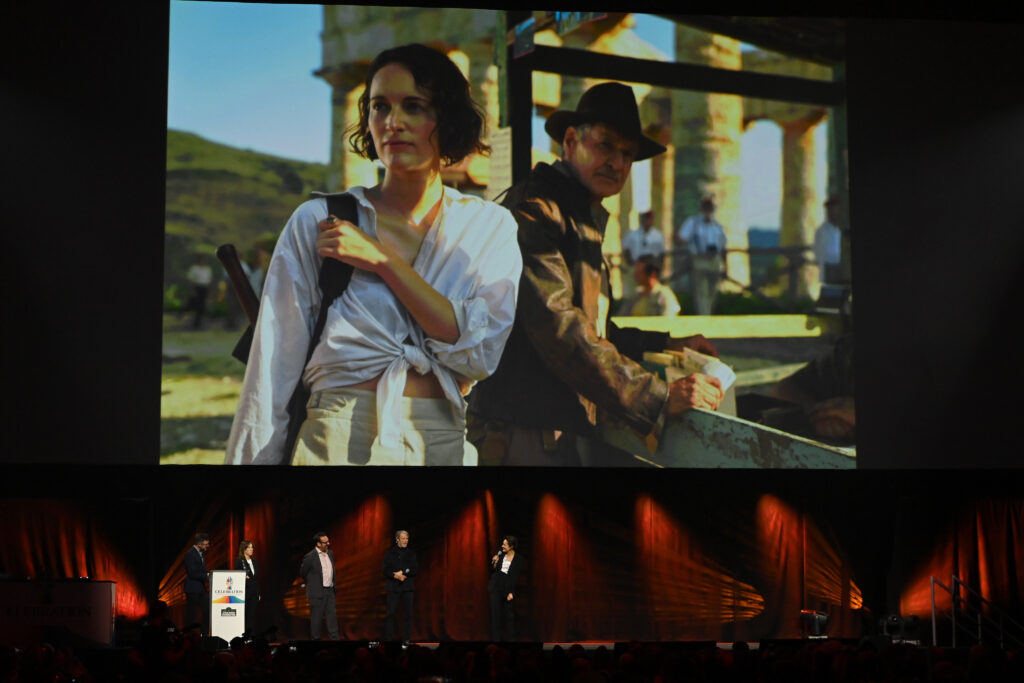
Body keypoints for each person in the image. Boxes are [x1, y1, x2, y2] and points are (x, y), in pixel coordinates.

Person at [225, 43, 522, 466]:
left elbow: (480, 353)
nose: (393, 123)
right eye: (380, 107)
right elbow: (273, 366)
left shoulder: (488, 227)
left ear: (448, 118)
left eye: (414, 106)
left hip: (439, 439)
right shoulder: (320, 220)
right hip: (333, 437)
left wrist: (382, 260)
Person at [468, 81, 724, 467]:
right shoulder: (537, 212)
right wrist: (657, 396)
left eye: (628, 154)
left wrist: (668, 342)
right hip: (523, 428)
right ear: (570, 141)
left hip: (550, 425)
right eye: (606, 146)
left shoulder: (578, 215)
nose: (618, 163)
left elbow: (591, 327)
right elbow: (558, 327)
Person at [676, 196, 727, 315]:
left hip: (714, 260)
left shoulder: (717, 226)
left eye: (709, 207)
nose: (708, 210)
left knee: (712, 292)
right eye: (706, 207)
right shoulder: (693, 222)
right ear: (702, 208)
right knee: (701, 292)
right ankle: (704, 317)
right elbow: (682, 238)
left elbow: (723, 246)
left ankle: (708, 315)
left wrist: (725, 266)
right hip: (699, 260)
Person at [299, 531, 339, 640]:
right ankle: (316, 644)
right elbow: (303, 573)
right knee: (316, 621)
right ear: (318, 544)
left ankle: (336, 644)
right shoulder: (310, 556)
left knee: (332, 620)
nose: (328, 544)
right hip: (317, 593)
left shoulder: (330, 553)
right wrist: (314, 585)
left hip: (330, 591)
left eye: (328, 542)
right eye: (325, 542)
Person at [381, 529, 418, 642]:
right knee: (390, 614)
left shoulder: (411, 553)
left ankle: (406, 640)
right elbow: (385, 570)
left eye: (407, 538)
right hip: (393, 588)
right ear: (397, 539)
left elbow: (414, 569)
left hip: (407, 588)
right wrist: (395, 576)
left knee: (408, 615)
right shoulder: (389, 553)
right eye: (403, 538)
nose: (405, 540)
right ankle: (388, 640)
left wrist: (403, 572)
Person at [617, 255, 682, 317]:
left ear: (652, 274)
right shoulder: (635, 297)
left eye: (639, 273)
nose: (636, 276)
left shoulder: (663, 296)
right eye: (635, 272)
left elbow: (667, 321)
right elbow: (621, 318)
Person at [488, 535, 522, 641]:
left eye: (505, 544)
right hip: (496, 587)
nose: (502, 546)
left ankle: (511, 640)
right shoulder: (500, 555)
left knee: (509, 616)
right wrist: (495, 563)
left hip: (508, 587)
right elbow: (496, 571)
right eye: (502, 544)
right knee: (496, 616)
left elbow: (516, 577)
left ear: (511, 546)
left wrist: (511, 592)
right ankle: (496, 640)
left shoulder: (518, 559)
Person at [183, 533, 210, 634]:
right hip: (192, 589)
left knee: (208, 611)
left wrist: (207, 574)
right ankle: (186, 636)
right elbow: (192, 573)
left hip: (201, 589)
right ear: (199, 544)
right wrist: (206, 576)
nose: (208, 546)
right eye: (206, 544)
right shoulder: (190, 554)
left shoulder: (201, 553)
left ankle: (204, 634)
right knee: (191, 615)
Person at [814, 195, 844, 286]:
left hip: (842, 267)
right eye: (829, 209)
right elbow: (817, 252)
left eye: (833, 208)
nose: (831, 212)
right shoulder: (822, 230)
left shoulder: (842, 229)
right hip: (828, 267)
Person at [235, 540, 260, 636]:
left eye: (252, 547)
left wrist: (258, 593)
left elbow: (256, 578)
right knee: (244, 616)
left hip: (254, 593)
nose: (251, 549)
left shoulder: (254, 561)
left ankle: (250, 637)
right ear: (244, 549)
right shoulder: (239, 561)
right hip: (244, 593)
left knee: (252, 616)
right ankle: (243, 636)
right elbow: (236, 576)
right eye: (249, 547)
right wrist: (243, 576)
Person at [185, 255, 213, 329]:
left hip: (204, 288)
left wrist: (209, 291)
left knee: (201, 306)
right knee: (194, 304)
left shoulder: (207, 269)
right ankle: (185, 316)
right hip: (197, 287)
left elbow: (208, 280)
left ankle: (197, 324)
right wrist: (192, 290)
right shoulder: (194, 268)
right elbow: (191, 280)